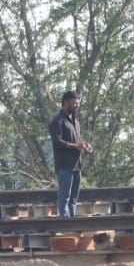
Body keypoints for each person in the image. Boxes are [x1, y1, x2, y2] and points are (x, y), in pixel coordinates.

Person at [48, 90, 92, 218]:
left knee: (74, 197)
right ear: (65, 103)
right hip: (64, 165)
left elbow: (76, 141)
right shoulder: (57, 121)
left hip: (77, 165)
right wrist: (76, 146)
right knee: (65, 196)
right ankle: (65, 223)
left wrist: (84, 146)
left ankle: (72, 222)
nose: (76, 106)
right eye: (74, 103)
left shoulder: (76, 122)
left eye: (78, 103)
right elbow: (57, 142)